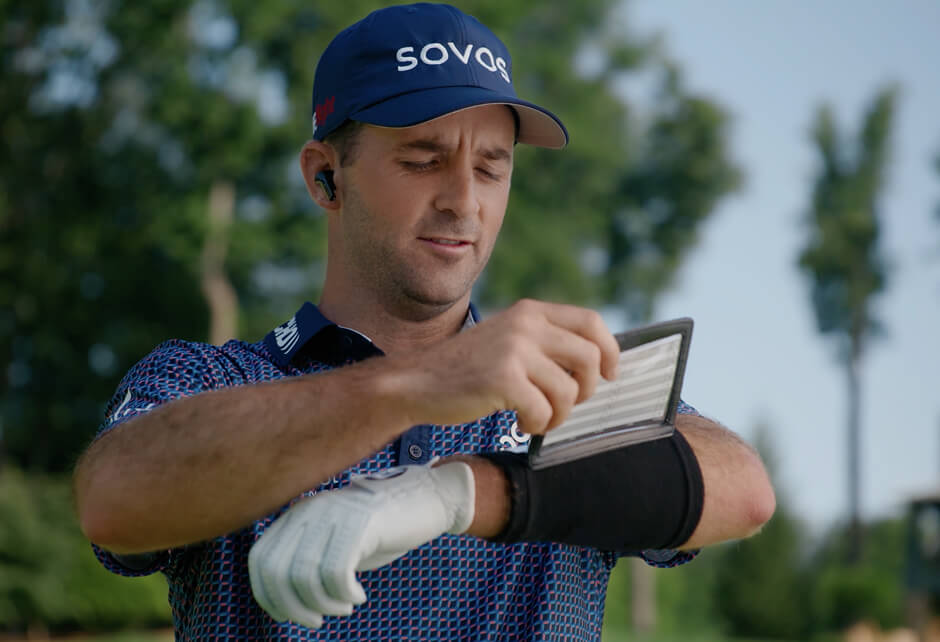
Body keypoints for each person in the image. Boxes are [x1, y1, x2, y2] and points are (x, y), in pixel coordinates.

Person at [73, 4, 775, 640]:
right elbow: (112, 500)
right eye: (423, 159)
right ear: (325, 176)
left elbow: (743, 490)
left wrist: (458, 492)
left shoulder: (555, 389)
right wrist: (414, 384)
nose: (464, 202)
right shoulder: (211, 379)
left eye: (492, 168)